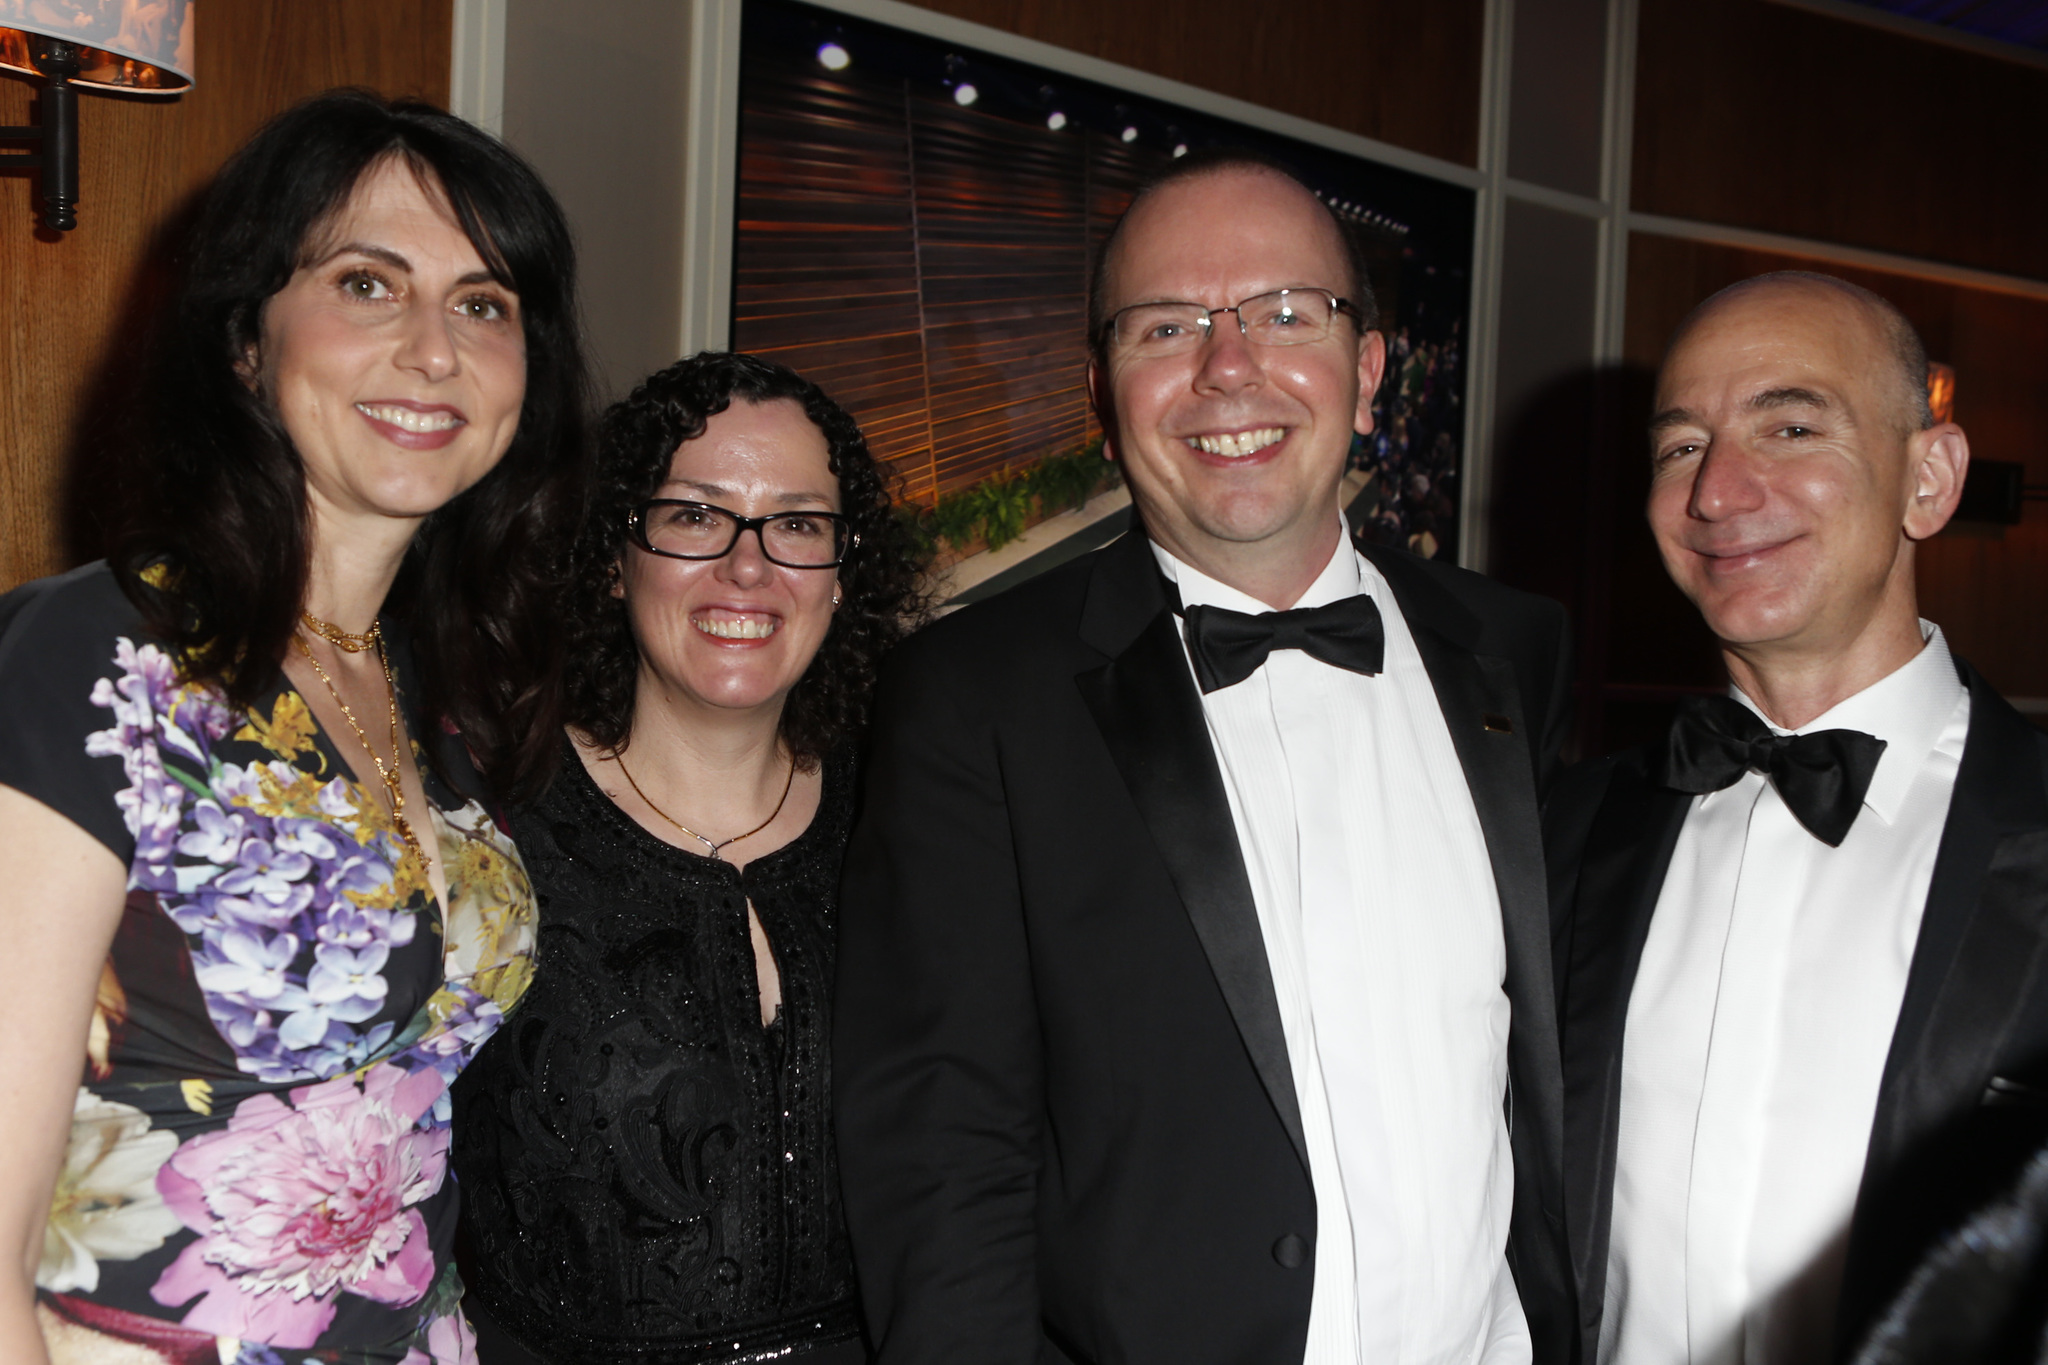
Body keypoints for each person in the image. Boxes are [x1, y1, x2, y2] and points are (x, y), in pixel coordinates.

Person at [834, 150, 1577, 1365]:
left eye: (1286, 314)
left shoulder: (1514, 652)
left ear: (1369, 369)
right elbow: (939, 1152)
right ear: (1099, 390)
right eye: (1164, 327)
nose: (1227, 368)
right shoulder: (971, 697)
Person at [0, 91, 588, 1363]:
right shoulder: (95, 658)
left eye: (485, 304)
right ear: (243, 344)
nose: (435, 350)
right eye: (368, 284)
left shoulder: (450, 691)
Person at [1545, 271, 2048, 1365]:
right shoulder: (1561, 834)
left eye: (1788, 424)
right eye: (1680, 446)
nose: (1718, 490)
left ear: (1928, 477)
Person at [449, 352, 926, 1365]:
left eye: (797, 524)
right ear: (615, 554)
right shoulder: (487, 826)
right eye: (695, 516)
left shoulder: (914, 814)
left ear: (843, 576)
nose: (746, 568)